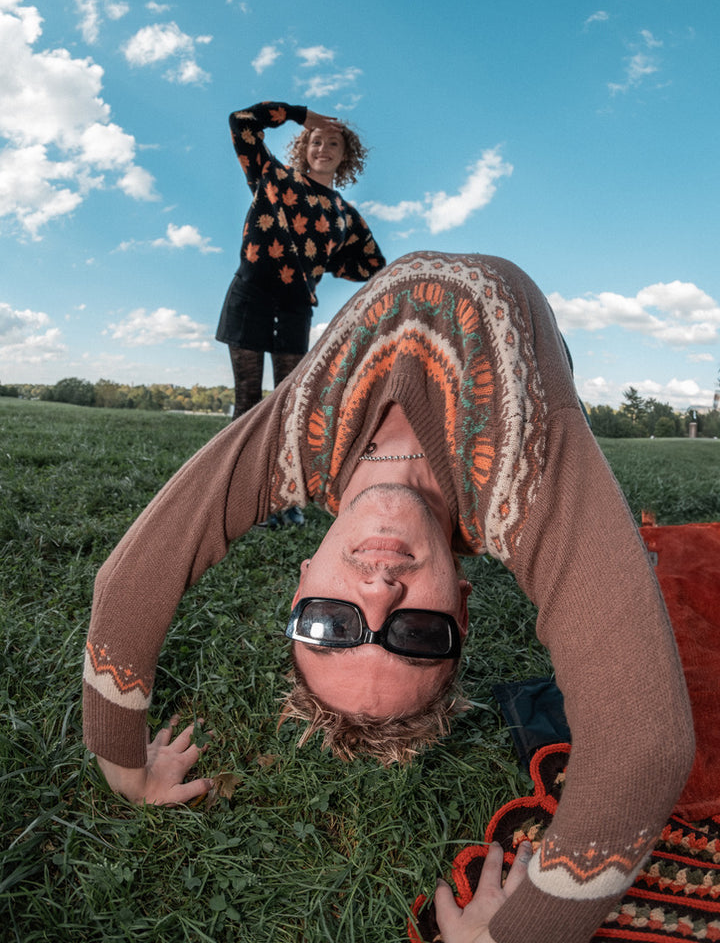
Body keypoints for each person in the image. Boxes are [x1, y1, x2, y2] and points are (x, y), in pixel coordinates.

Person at [83, 251, 693, 943]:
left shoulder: (294, 445)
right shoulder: (525, 491)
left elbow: (127, 582)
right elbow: (644, 747)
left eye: (332, 625)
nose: (377, 592)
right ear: (463, 607)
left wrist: (128, 774)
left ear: (302, 580)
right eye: (416, 634)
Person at [216, 101, 385, 420]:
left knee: (288, 409)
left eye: (334, 143)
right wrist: (298, 115)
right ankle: (235, 471)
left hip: (296, 309)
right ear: (305, 147)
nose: (324, 148)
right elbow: (240, 122)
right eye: (316, 141)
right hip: (250, 296)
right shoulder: (273, 176)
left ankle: (278, 471)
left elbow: (372, 265)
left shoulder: (346, 216)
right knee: (246, 404)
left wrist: (326, 261)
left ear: (345, 155)